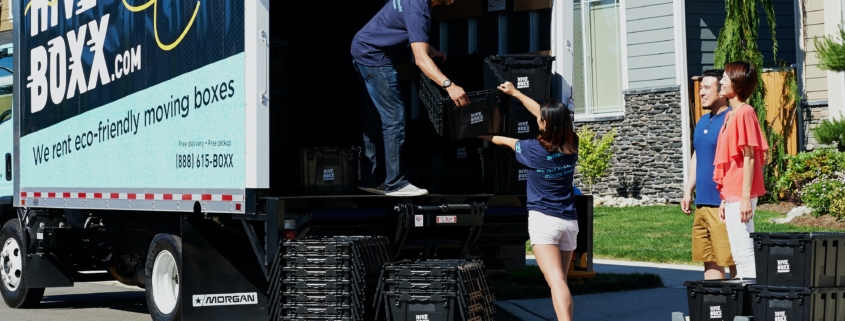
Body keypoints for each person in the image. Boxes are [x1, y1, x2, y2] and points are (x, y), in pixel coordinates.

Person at [480, 82, 578, 321]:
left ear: (544, 124)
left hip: (544, 222)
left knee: (555, 282)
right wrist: (516, 93)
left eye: (541, 119)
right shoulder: (572, 144)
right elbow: (545, 116)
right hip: (568, 223)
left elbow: (504, 141)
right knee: (560, 281)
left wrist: (479, 132)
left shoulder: (533, 149)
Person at [351, 0, 469, 196]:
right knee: (394, 118)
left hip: (362, 49)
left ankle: (372, 179)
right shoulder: (418, 11)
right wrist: (450, 86)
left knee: (373, 118)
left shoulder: (418, 4)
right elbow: (420, 59)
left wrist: (430, 50)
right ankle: (396, 183)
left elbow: (408, 30)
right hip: (374, 58)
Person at [713, 61, 769, 279]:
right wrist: (724, 199)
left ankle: (751, 300)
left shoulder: (745, 112)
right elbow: (729, 161)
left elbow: (749, 155)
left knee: (745, 251)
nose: (721, 81)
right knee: (737, 251)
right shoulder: (729, 115)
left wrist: (746, 197)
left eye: (725, 78)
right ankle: (743, 299)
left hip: (742, 193)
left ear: (737, 84)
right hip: (732, 193)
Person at [681, 69, 737, 280]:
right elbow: (698, 155)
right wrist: (688, 190)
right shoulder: (703, 121)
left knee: (732, 260)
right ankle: (716, 307)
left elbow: (737, 162)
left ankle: (740, 309)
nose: (701, 93)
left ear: (721, 91)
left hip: (722, 205)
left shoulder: (731, 119)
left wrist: (727, 198)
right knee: (710, 259)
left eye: (707, 88)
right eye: (700, 88)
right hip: (702, 203)